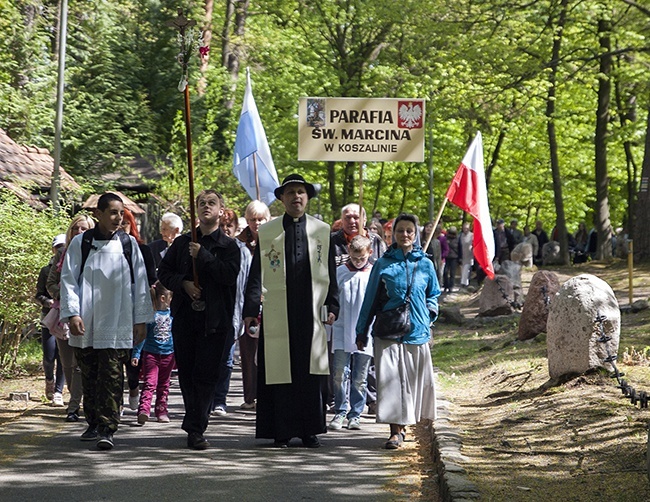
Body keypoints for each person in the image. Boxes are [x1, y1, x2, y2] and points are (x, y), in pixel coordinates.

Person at [243, 173, 339, 448]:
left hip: (311, 311)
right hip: (277, 312)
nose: (296, 196)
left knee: (309, 373)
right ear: (282, 198)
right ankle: (281, 431)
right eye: (291, 192)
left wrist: (333, 304)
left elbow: (330, 272)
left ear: (307, 197)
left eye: (301, 192)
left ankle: (309, 430)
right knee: (279, 371)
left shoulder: (322, 232)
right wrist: (251, 308)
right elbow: (257, 272)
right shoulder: (269, 232)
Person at [60, 193, 154, 450]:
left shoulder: (128, 244)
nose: (118, 218)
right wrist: (73, 313)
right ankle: (92, 421)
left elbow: (140, 284)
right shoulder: (81, 243)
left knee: (112, 376)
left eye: (121, 213)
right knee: (89, 374)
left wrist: (141, 320)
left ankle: (108, 427)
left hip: (118, 320)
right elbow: (68, 279)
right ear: (98, 215)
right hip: (86, 321)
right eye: (112, 212)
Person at [157, 189, 240, 450]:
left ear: (221, 211)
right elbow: (164, 271)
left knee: (206, 375)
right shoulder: (182, 243)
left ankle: (195, 428)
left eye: (211, 203)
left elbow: (228, 275)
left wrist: (203, 256)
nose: (206, 206)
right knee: (188, 375)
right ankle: (194, 421)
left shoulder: (229, 246)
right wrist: (183, 284)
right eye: (201, 203)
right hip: (185, 319)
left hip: (215, 320)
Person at [355, 213, 440, 450]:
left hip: (417, 331)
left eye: (409, 231)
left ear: (416, 234)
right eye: (400, 230)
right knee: (391, 383)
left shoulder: (425, 263)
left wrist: (431, 311)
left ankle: (405, 426)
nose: (405, 235)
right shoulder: (382, 264)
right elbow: (370, 300)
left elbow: (434, 293)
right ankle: (395, 431)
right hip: (388, 331)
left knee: (411, 383)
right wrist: (361, 331)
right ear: (392, 234)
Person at [47, 214, 95, 422]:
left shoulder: (96, 252)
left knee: (79, 363)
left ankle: (75, 406)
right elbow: (51, 283)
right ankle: (76, 396)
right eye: (76, 229)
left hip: (90, 313)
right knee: (67, 363)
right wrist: (66, 293)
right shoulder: (61, 254)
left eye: (84, 229)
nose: (79, 232)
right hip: (62, 314)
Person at [328, 235, 374, 431]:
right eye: (354, 258)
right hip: (341, 328)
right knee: (339, 373)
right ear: (348, 252)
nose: (358, 262)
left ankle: (356, 413)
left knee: (360, 376)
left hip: (365, 330)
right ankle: (340, 410)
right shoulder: (339, 272)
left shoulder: (373, 273)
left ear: (369, 254)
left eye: (361, 258)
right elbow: (330, 297)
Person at [235, 200, 271, 410]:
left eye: (260, 219)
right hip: (247, 304)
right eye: (252, 219)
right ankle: (250, 396)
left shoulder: (275, 241)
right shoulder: (239, 245)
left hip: (270, 302)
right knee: (248, 353)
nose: (257, 223)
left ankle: (266, 394)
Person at [121, 207, 157, 412]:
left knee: (134, 356)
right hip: (114, 307)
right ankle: (116, 398)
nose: (122, 226)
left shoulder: (143, 250)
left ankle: (133, 387)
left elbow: (152, 278)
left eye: (126, 222)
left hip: (137, 306)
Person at [211, 208, 241, 416]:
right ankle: (208, 396)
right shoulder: (212, 248)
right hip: (214, 311)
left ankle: (220, 399)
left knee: (226, 360)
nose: (225, 229)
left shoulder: (242, 251)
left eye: (228, 225)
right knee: (211, 357)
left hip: (234, 312)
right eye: (222, 225)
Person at [132, 281, 175, 424]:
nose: (172, 300)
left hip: (169, 355)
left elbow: (176, 336)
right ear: (163, 298)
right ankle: (144, 410)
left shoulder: (173, 316)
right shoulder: (151, 316)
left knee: (164, 384)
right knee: (150, 382)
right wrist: (136, 353)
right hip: (151, 355)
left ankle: (161, 410)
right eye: (170, 297)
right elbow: (142, 337)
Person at [36, 234, 67, 407]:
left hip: (65, 319)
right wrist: (47, 301)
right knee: (49, 355)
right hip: (48, 318)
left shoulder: (71, 267)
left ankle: (58, 392)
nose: (60, 250)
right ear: (53, 249)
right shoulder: (46, 270)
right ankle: (49, 378)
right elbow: (39, 293)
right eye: (58, 247)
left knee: (62, 356)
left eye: (63, 246)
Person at [443, 226, 460, 293]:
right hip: (447, 257)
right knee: (445, 272)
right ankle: (446, 285)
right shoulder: (446, 238)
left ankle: (451, 287)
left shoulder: (457, 239)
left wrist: (460, 258)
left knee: (452, 273)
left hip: (454, 258)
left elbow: (459, 248)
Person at [459, 223, 474, 287]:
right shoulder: (460, 236)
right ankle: (464, 282)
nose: (466, 229)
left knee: (467, 269)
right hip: (462, 254)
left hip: (469, 255)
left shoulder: (472, 235)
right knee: (463, 269)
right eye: (464, 228)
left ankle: (464, 283)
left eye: (467, 228)